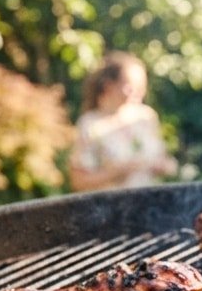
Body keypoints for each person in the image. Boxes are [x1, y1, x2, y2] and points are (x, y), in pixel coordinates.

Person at [69, 51, 177, 192]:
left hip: (150, 204)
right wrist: (118, 172)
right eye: (131, 86)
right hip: (109, 208)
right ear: (109, 85)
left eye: (142, 86)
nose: (139, 92)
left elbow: (165, 160)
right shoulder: (90, 125)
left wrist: (165, 167)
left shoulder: (146, 117)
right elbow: (78, 182)